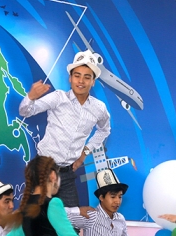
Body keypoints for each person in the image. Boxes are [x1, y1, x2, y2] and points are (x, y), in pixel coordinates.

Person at [19, 49, 110, 208]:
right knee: (36, 217)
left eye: (87, 77)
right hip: (43, 169)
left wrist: (84, 153)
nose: (81, 81)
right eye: (77, 76)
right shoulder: (58, 97)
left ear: (93, 81)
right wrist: (31, 97)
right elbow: (26, 111)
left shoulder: (99, 108)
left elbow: (104, 130)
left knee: (71, 220)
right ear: (70, 78)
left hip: (67, 174)